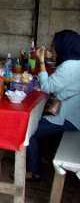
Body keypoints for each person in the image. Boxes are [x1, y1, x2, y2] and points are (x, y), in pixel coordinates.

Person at [26, 30, 80, 180]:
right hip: (72, 112)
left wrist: (42, 61)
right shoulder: (75, 62)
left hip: (68, 117)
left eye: (54, 46)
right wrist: (52, 57)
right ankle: (39, 157)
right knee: (39, 118)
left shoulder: (69, 66)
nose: (52, 48)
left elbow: (47, 87)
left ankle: (34, 171)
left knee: (29, 133)